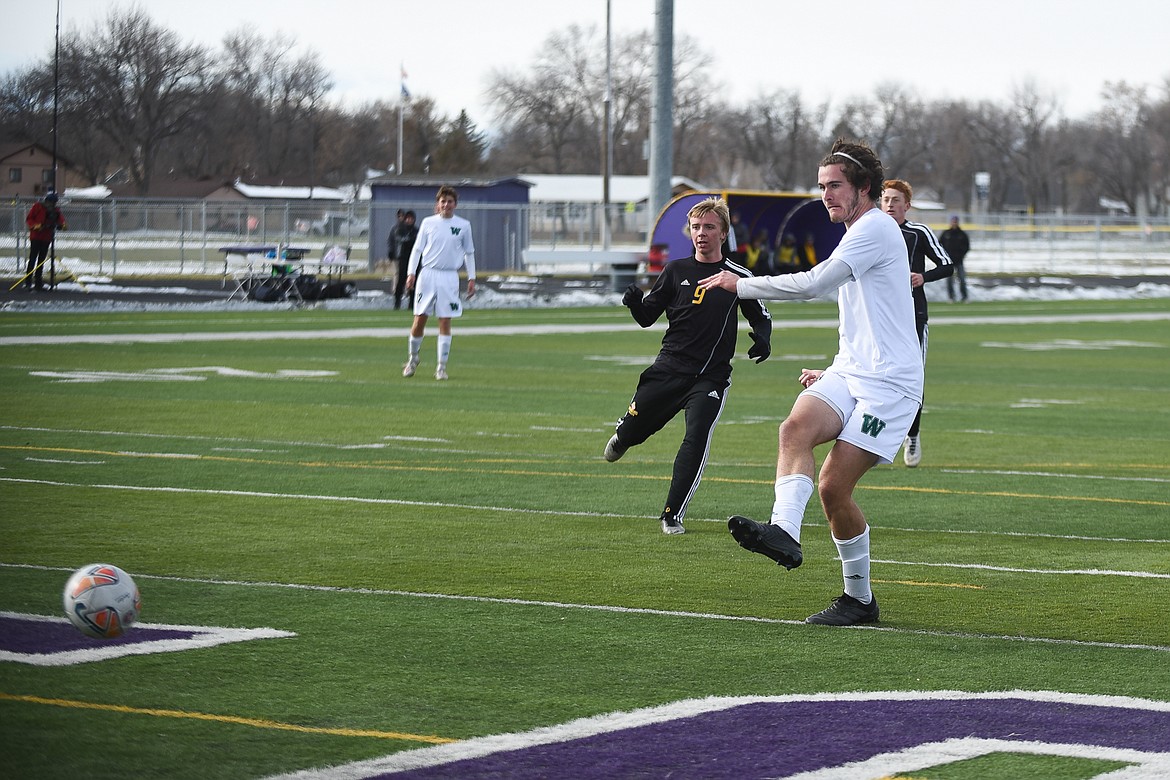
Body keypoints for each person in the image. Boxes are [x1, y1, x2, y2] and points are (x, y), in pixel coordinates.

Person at [698, 139, 923, 626]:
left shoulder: (876, 227)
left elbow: (816, 284)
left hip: (891, 386)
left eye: (835, 186)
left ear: (864, 187)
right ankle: (783, 532)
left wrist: (742, 284)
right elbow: (864, 319)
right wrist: (836, 368)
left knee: (833, 488)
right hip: (853, 370)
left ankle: (860, 600)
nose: (826, 195)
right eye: (821, 187)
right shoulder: (860, 230)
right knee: (794, 429)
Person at [605, 196, 772, 535]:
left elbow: (761, 315)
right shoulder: (675, 271)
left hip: (710, 378)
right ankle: (625, 433)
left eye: (709, 227)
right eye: (696, 227)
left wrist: (763, 338)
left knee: (695, 437)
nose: (701, 233)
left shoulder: (738, 276)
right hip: (668, 370)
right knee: (633, 433)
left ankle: (671, 513)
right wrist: (635, 303)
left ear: (723, 233)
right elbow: (647, 317)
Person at [881, 179, 953, 468]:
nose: (889, 204)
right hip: (881, 319)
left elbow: (947, 264)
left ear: (906, 205)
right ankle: (880, 439)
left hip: (913, 317)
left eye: (895, 200)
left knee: (914, 378)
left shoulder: (918, 232)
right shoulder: (872, 231)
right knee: (881, 377)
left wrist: (924, 277)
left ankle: (912, 434)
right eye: (885, 199)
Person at [403, 186, 476, 381]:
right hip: (427, 275)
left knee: (445, 320)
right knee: (420, 319)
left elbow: (469, 252)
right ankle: (413, 359)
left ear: (455, 204)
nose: (446, 205)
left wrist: (471, 278)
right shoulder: (428, 223)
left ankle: (441, 367)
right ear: (438, 204)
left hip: (449, 277)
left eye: (450, 201)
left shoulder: (463, 225)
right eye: (443, 201)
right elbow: (417, 250)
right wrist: (411, 274)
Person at [24, 192, 66, 291]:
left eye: (54, 202)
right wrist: (36, 225)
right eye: (51, 202)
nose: (52, 204)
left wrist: (62, 225)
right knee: (33, 258)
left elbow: (60, 220)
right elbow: (29, 219)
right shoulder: (38, 207)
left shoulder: (56, 210)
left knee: (41, 260)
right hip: (36, 236)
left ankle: (38, 281)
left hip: (46, 237)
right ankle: (28, 281)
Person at [392, 210, 419, 310]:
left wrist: (410, 240)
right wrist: (409, 240)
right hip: (403, 258)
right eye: (407, 218)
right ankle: (397, 303)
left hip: (414, 259)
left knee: (414, 282)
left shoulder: (416, 230)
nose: (409, 220)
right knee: (401, 282)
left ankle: (411, 304)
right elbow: (399, 239)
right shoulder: (400, 229)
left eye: (411, 218)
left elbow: (418, 242)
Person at [940, 216, 970, 302]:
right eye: (953, 221)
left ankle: (964, 297)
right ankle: (951, 297)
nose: (954, 223)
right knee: (949, 280)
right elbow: (939, 245)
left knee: (962, 279)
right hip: (949, 261)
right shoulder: (946, 234)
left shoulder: (962, 234)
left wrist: (961, 255)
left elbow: (967, 246)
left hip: (959, 261)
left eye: (955, 222)